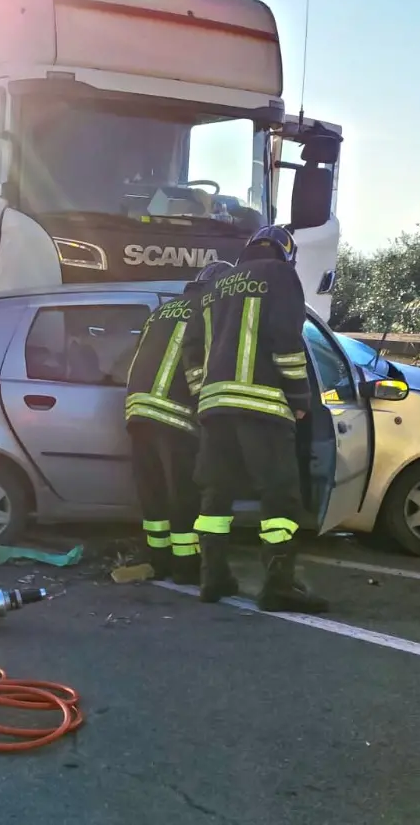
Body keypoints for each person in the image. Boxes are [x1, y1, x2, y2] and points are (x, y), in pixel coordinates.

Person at [183, 225, 328, 613]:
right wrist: (300, 398)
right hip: (263, 406)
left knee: (216, 494)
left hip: (214, 409)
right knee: (279, 496)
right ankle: (279, 586)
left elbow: (192, 353)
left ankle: (212, 579)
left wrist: (205, 398)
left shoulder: (215, 285)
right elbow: (287, 343)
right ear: (285, 253)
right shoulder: (280, 275)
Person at [125, 259, 234, 585]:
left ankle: (158, 558)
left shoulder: (162, 310)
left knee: (153, 492)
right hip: (174, 413)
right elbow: (201, 361)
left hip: (138, 410)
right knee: (182, 493)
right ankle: (186, 566)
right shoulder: (208, 311)